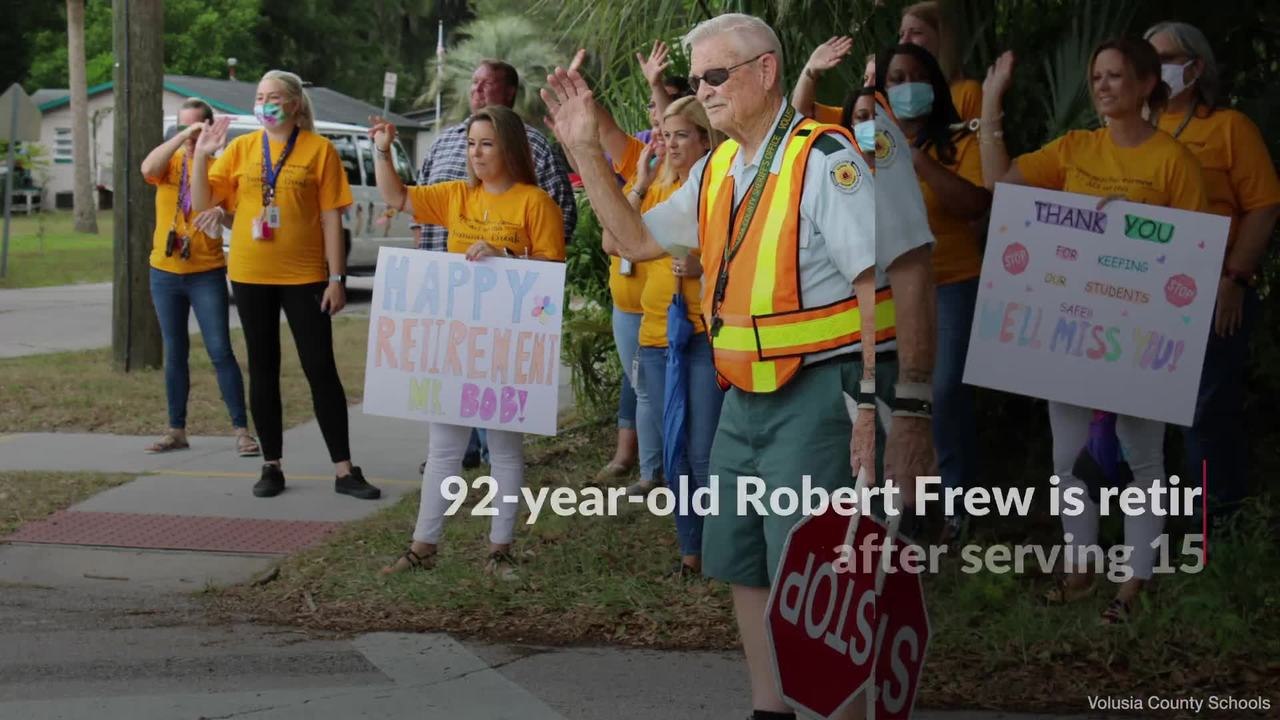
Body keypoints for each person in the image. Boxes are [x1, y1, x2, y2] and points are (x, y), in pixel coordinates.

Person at [544, 14, 931, 719]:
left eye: (716, 76)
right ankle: (769, 706)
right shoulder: (720, 166)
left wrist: (906, 410)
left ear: (765, 71)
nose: (702, 91)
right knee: (743, 560)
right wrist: (585, 150)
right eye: (695, 79)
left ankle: (834, 708)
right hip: (743, 396)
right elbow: (628, 237)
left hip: (823, 392)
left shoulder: (828, 158)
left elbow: (907, 272)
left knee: (820, 574)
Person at [981, 38, 1208, 623]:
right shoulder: (1076, 148)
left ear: (1146, 85)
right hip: (1074, 331)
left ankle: (1135, 580)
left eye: (1116, 76)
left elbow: (1194, 253)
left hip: (1142, 335)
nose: (1104, 86)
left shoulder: (1173, 162)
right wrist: (990, 100)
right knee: (1068, 455)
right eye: (1097, 77)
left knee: (1143, 458)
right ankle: (1080, 567)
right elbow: (1002, 189)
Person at [371, 105, 566, 580]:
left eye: (487, 144)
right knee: (444, 449)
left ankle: (499, 548)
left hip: (507, 345)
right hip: (459, 344)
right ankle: (423, 546)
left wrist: (506, 256)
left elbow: (551, 278)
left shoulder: (534, 204)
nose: (476, 154)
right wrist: (381, 151)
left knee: (503, 449)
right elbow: (397, 195)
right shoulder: (457, 195)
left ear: (509, 148)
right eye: (471, 144)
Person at [190, 70, 381, 501]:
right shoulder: (239, 148)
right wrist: (202, 156)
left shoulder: (320, 150)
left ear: (294, 104)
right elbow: (202, 203)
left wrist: (337, 278)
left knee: (320, 369)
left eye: (274, 97)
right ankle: (271, 464)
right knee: (263, 368)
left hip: (306, 275)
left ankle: (345, 469)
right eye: (260, 97)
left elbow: (333, 218)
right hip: (250, 273)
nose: (265, 104)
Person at [1144, 21, 1280, 524]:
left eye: (1163, 59)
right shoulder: (1133, 128)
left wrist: (1235, 279)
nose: (1153, 70)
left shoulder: (1229, 128)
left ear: (1194, 67)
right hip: (1137, 298)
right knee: (1146, 420)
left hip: (1213, 294)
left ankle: (1216, 528)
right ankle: (1154, 525)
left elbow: (1264, 206)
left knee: (1204, 414)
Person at [414, 59, 578, 474]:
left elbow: (561, 221)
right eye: (474, 83)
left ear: (508, 94)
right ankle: (463, 455)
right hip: (450, 300)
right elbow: (417, 207)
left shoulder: (535, 149)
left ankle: (493, 466)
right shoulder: (443, 142)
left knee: (499, 421)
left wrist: (510, 263)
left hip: (506, 312)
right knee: (451, 406)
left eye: (488, 85)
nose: (478, 91)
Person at [877, 43, 990, 543]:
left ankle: (955, 508)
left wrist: (915, 160)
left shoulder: (959, 140)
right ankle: (906, 512)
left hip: (951, 283)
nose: (905, 87)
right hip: (884, 293)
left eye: (914, 77)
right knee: (892, 400)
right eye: (894, 78)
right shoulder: (863, 144)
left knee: (941, 396)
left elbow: (975, 204)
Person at [609, 97, 725, 574]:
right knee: (675, 451)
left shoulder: (720, 186)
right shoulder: (658, 188)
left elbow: (747, 257)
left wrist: (704, 266)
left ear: (704, 139)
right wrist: (637, 187)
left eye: (682, 135)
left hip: (700, 336)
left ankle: (720, 547)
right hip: (654, 337)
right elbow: (613, 242)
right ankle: (690, 551)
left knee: (702, 451)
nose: (672, 144)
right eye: (667, 135)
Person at [138, 99, 259, 458]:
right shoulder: (170, 161)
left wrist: (221, 212)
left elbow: (239, 220)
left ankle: (242, 431)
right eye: (183, 126)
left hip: (205, 272)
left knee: (220, 349)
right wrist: (181, 138)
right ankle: (176, 429)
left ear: (211, 127)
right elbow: (147, 167)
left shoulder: (223, 167)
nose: (191, 134)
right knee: (175, 352)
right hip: (164, 270)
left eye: (197, 127)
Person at [899, 0, 983, 121]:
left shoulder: (967, 93)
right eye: (901, 34)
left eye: (916, 33)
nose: (904, 41)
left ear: (943, 39)